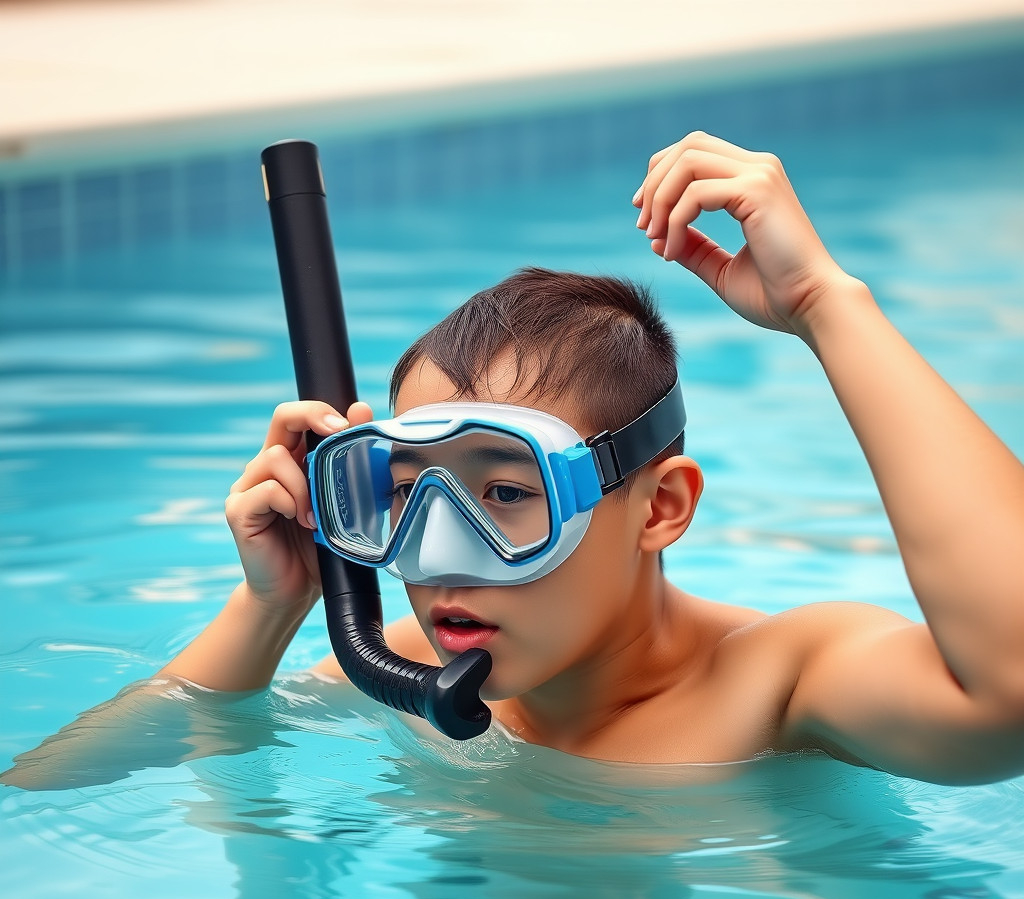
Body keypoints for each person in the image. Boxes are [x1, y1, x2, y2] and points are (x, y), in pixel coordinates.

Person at [11, 131, 1024, 788]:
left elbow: (1010, 694)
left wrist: (823, 306)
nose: (439, 555)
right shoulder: (402, 664)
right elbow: (51, 792)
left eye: (504, 492)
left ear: (660, 508)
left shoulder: (777, 686)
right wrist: (271, 607)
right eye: (398, 499)